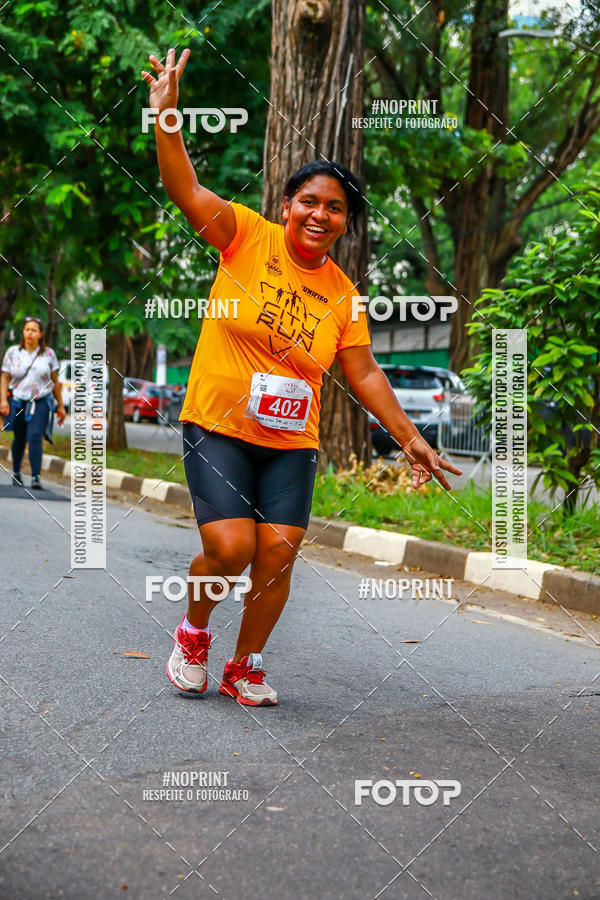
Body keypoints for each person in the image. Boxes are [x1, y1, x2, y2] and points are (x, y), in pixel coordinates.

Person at [143, 49, 462, 706]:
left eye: (336, 207)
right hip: (220, 423)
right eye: (310, 201)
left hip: (290, 440)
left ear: (347, 222)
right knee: (230, 548)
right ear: (287, 205)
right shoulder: (244, 238)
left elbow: (365, 372)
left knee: (279, 552)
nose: (321, 215)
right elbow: (184, 188)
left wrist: (410, 438)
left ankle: (245, 664)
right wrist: (166, 118)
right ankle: (193, 633)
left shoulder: (344, 295)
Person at [0, 317, 66, 489]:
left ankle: (36, 477)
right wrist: (2, 401)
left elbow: (54, 382)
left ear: (40, 334)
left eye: (34, 330)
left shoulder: (49, 354)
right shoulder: (13, 352)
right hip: (17, 401)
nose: (30, 333)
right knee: (19, 437)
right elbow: (5, 377)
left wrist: (61, 406)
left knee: (35, 436)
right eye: (27, 329)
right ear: (23, 332)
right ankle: (16, 473)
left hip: (40, 401)